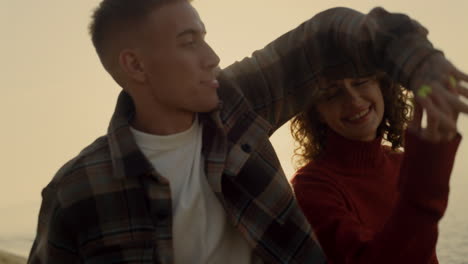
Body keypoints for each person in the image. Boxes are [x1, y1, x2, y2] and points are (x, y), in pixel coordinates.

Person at [28, 0, 468, 263]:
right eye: (189, 42)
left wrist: (423, 66)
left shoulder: (240, 105)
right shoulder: (77, 191)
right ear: (135, 65)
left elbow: (330, 34)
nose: (212, 56)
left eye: (204, 36)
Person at [290, 71, 461, 263]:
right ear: (317, 113)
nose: (354, 100)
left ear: (381, 87)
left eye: (361, 82)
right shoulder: (312, 185)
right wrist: (433, 169)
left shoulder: (402, 163)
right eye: (331, 93)